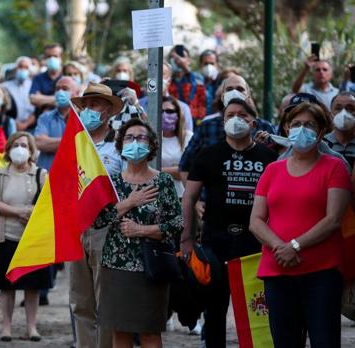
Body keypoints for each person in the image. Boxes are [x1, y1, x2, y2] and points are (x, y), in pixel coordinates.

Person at [250, 102, 352, 348]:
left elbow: (333, 220)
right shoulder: (272, 170)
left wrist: (294, 246)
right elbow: (255, 220)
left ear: (320, 132)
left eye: (310, 125)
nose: (302, 130)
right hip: (277, 271)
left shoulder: (335, 167)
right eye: (296, 124)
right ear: (286, 128)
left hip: (321, 273)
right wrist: (279, 247)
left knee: (324, 341)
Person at [180, 98, 278, 347]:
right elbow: (189, 199)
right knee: (214, 312)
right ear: (223, 122)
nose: (237, 119)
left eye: (243, 115)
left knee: (259, 310)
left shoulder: (269, 157)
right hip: (216, 242)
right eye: (230, 115)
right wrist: (187, 240)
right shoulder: (208, 155)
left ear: (254, 122)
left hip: (256, 244)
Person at [94, 118, 183, 347]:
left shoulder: (162, 181)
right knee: (120, 332)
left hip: (151, 267)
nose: (135, 142)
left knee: (150, 333)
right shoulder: (112, 183)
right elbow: (98, 220)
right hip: (116, 267)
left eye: (141, 137)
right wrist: (130, 202)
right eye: (130, 137)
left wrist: (141, 230)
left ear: (152, 145)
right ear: (121, 144)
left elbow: (176, 223)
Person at [69, 82, 124, 348]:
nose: (89, 110)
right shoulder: (73, 146)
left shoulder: (119, 148)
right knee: (80, 300)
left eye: (95, 105)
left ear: (109, 111)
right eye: (86, 105)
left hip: (107, 229)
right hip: (76, 228)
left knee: (106, 301)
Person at [0, 132, 52, 342]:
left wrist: (32, 212)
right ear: (8, 149)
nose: (20, 148)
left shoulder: (41, 174)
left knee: (32, 285)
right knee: (7, 285)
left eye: (24, 145)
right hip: (5, 236)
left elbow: (48, 203)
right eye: (15, 145)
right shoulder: (0, 174)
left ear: (32, 150)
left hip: (32, 239)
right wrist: (20, 212)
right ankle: (6, 327)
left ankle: (31, 327)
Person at [178, 75, 275, 184]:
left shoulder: (265, 127)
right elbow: (185, 166)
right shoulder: (206, 127)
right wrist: (197, 198)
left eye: (240, 89)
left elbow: (279, 165)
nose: (234, 92)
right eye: (229, 89)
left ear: (248, 95)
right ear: (222, 96)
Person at [34, 76, 79, 171]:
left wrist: (51, 144)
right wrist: (74, 141)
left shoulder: (82, 118)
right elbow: (39, 143)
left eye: (65, 89)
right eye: (57, 89)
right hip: (46, 177)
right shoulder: (45, 117)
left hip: (72, 177)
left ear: (76, 94)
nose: (60, 92)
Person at [139, 62, 194, 133]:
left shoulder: (182, 108)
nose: (156, 77)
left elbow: (187, 138)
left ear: (169, 81)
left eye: (161, 74)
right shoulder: (139, 105)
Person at [168, 45, 207, 126]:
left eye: (181, 56)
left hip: (193, 122)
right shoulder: (168, 80)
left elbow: (201, 97)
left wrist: (185, 68)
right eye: (173, 58)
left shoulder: (196, 77)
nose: (177, 60)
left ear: (188, 60)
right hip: (172, 122)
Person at [161, 96, 190, 199]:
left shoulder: (188, 137)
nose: (165, 114)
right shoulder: (152, 138)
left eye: (169, 111)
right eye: (161, 111)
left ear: (178, 114)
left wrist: (158, 170)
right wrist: (176, 170)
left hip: (183, 196)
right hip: (158, 196)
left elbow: (190, 171)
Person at [1, 56, 36, 131]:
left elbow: (37, 110)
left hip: (30, 127)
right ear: (15, 68)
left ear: (30, 70)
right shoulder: (5, 86)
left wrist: (25, 124)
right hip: (10, 126)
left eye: (26, 67)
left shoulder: (34, 86)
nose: (23, 70)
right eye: (20, 66)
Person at [29, 43, 63, 116]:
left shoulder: (66, 77)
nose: (52, 59)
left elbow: (71, 99)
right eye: (49, 56)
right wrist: (59, 99)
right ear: (45, 58)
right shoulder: (38, 78)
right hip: (41, 120)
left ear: (61, 58)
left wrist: (42, 98)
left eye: (55, 56)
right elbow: (33, 99)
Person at [323, 91, 355, 168]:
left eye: (350, 108)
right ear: (331, 115)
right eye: (338, 108)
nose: (343, 113)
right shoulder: (322, 144)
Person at [199, 50, 221, 115]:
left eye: (212, 63)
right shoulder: (195, 83)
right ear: (200, 65)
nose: (209, 66)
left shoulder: (223, 82)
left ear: (217, 64)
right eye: (206, 64)